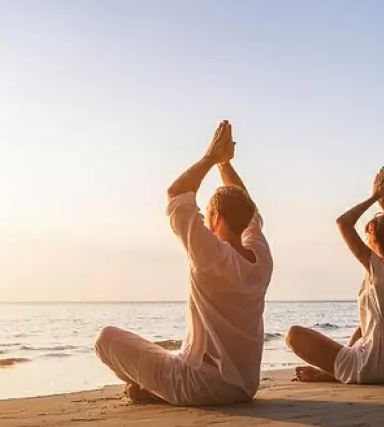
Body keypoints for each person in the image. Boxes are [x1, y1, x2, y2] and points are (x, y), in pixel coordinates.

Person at [94, 120, 273, 405]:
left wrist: (211, 158)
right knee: (170, 355)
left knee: (106, 339)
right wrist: (224, 165)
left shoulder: (211, 255)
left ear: (214, 218)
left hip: (199, 385)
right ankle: (155, 388)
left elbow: (177, 194)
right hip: (244, 387)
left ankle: (156, 392)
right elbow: (247, 208)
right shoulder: (261, 257)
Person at [285, 167, 384, 384]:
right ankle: (334, 373)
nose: (367, 243)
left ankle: (335, 373)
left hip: (375, 366)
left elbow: (343, 223)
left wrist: (375, 197)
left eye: (369, 238)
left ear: (379, 243)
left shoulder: (379, 270)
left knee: (294, 335)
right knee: (361, 331)